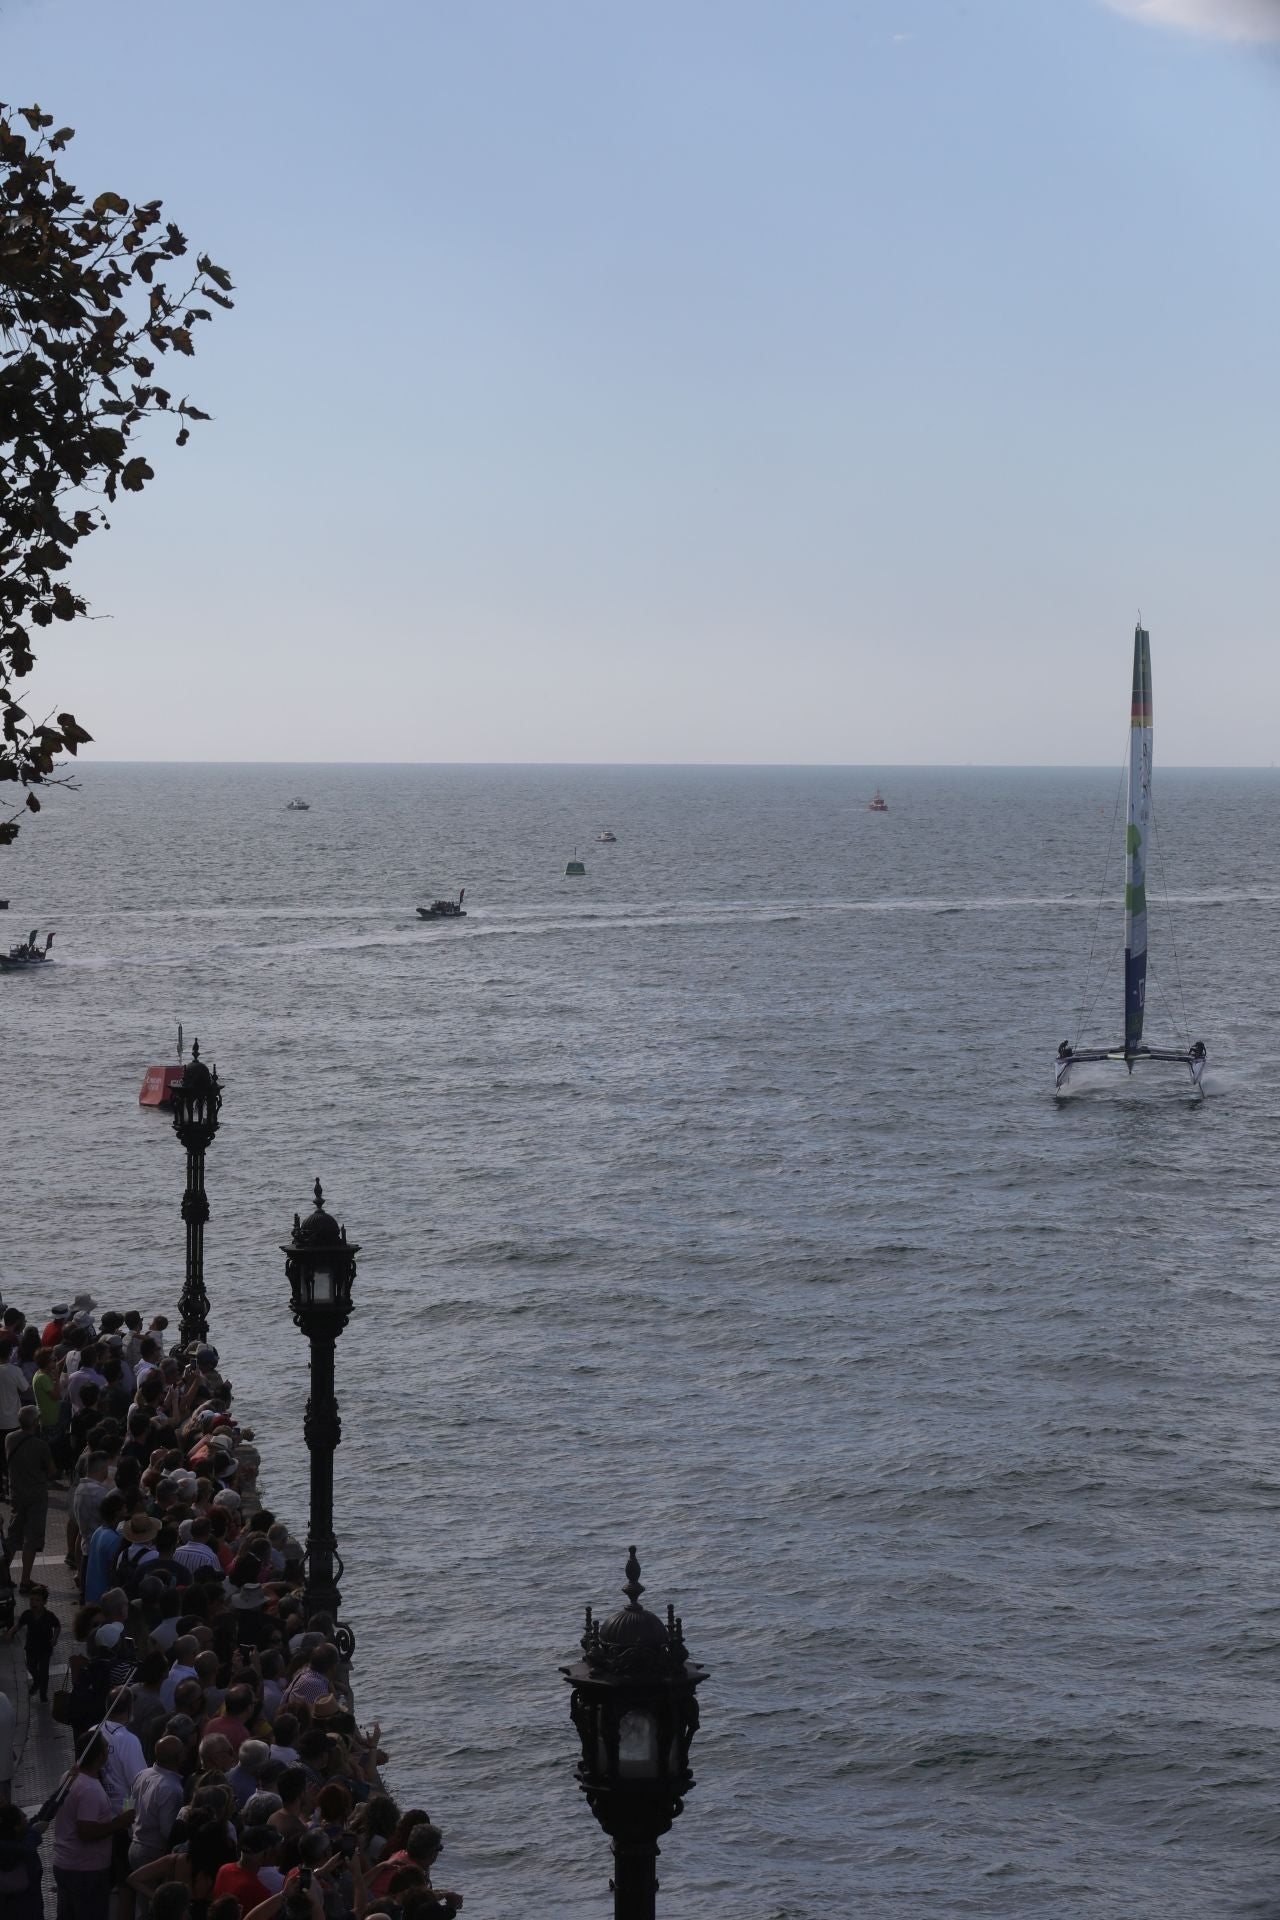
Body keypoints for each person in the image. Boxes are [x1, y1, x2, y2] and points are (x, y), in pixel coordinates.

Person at [52, 1731, 133, 1920]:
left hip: (65, 1865)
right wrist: (118, 1823)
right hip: (86, 1872)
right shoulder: (90, 1789)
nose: (108, 1751)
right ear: (100, 1756)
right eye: (106, 1747)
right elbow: (86, 1832)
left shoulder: (68, 1777)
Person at [4, 1405, 56, 1592]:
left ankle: (3, 1576)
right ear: (35, 1422)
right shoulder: (41, 1445)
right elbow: (51, 1471)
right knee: (31, 1539)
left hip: (17, 1493)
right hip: (36, 1496)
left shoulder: (10, 1439)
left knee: (13, 1536)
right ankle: (25, 1580)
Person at [5, 1582, 61, 1701]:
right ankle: (37, 1681)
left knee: (44, 1672)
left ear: (44, 1602)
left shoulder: (49, 1616)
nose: (33, 1603)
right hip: (31, 1647)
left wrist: (55, 1638)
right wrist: (10, 1633)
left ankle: (43, 1694)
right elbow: (18, 1626)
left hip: (45, 1648)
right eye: (32, 1600)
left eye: (37, 1600)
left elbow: (57, 1626)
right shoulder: (27, 1614)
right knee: (31, 1666)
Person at [0, 1802, 45, 1920]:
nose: (26, 1817)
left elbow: (40, 1816)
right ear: (16, 1827)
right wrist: (34, 1833)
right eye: (23, 1816)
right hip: (25, 1909)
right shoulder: (16, 1849)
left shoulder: (16, 1839)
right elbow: (26, 1849)